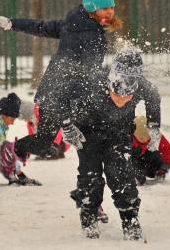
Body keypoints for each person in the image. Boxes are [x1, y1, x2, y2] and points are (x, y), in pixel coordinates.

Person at [0, 0, 122, 163]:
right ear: (92, 9)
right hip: (62, 95)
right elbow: (42, 28)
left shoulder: (77, 25)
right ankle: (89, 178)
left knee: (44, 142)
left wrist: (13, 23)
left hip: (55, 93)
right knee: (84, 138)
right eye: (105, 8)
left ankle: (12, 151)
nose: (110, 12)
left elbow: (41, 27)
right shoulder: (84, 31)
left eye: (111, 7)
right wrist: (12, 24)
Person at [61, 50, 161, 240]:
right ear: (110, 84)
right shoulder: (91, 81)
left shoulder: (142, 86)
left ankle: (130, 218)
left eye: (128, 97)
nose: (122, 100)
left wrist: (154, 127)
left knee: (121, 174)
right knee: (91, 176)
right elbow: (58, 96)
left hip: (119, 133)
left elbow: (154, 99)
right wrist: (67, 125)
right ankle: (89, 215)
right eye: (118, 95)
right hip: (87, 133)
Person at [130, 116, 170, 184]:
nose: (144, 140)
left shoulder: (155, 134)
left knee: (156, 155)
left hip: (147, 160)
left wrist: (164, 167)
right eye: (140, 138)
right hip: (133, 160)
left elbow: (167, 150)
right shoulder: (127, 137)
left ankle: (155, 171)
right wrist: (134, 172)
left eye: (146, 137)